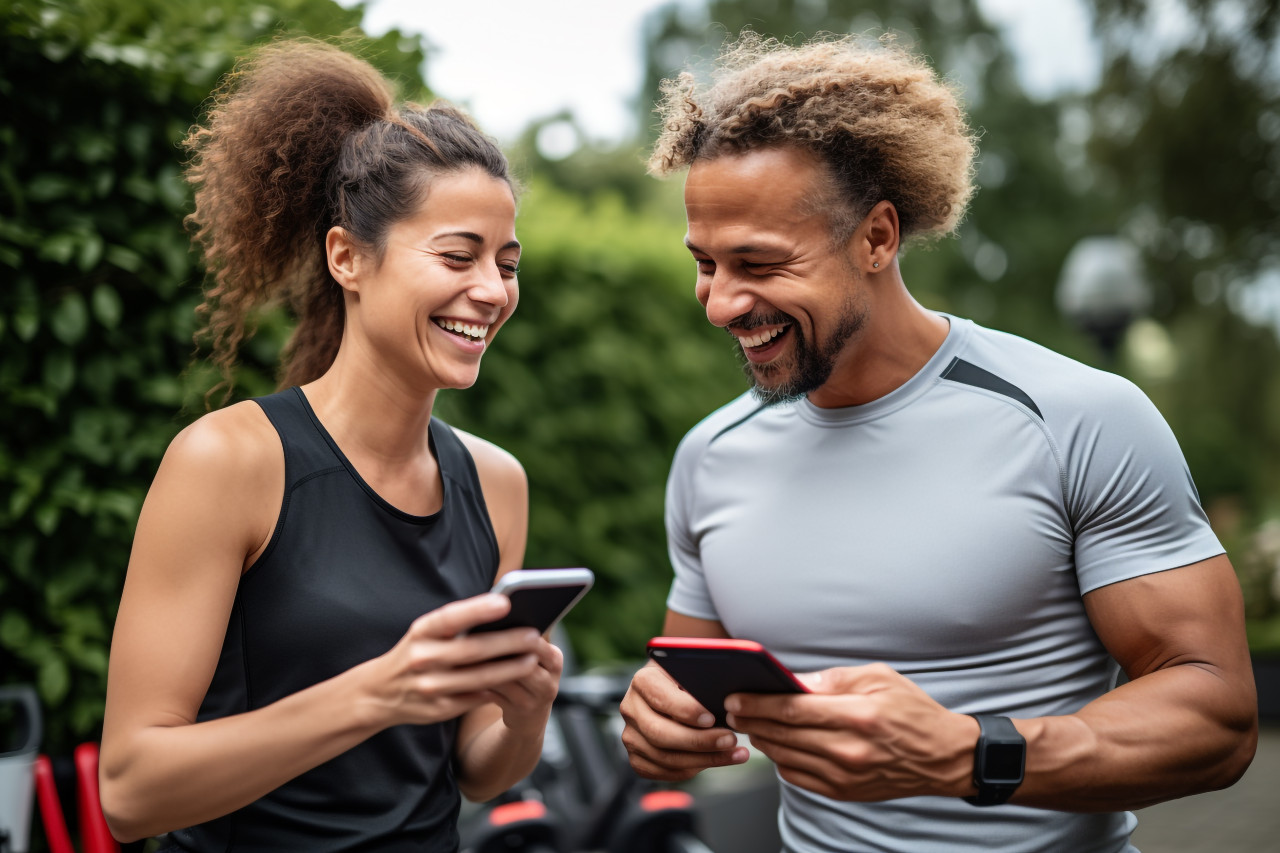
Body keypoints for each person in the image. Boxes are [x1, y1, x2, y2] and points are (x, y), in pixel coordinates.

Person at [619, 31, 1259, 852]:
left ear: (877, 238)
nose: (719, 304)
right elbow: (688, 690)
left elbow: (1218, 717)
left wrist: (967, 752)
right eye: (706, 263)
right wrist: (661, 722)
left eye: (759, 263)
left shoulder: (1078, 417)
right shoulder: (710, 455)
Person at [99, 39, 559, 852]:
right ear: (347, 257)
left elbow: (476, 769)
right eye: (459, 255)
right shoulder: (229, 461)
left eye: (507, 263)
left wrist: (524, 717)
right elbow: (133, 791)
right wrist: (379, 692)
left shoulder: (497, 483)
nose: (491, 290)